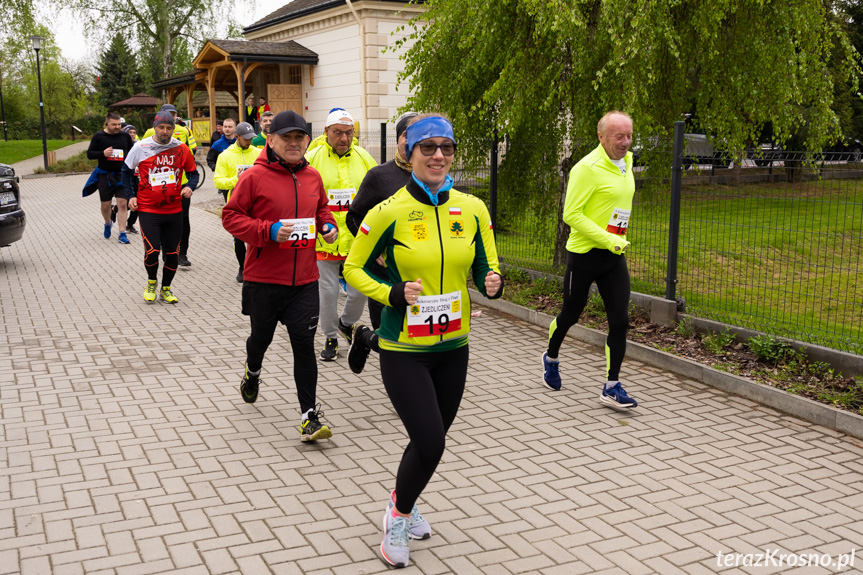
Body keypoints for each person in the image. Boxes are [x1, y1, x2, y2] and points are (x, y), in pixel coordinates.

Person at [343, 114, 503, 568]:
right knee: (432, 443)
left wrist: (492, 280)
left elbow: (485, 263)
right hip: (403, 349)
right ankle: (397, 516)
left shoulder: (472, 208)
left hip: (454, 347)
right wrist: (392, 292)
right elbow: (355, 269)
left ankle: (403, 498)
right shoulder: (387, 211)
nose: (438, 156)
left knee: (428, 439)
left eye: (446, 148)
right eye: (428, 147)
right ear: (408, 153)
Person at [221, 110, 338, 442]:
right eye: (286, 137)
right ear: (270, 140)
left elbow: (322, 210)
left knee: (304, 346)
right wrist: (268, 230)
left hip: (304, 281)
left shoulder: (313, 176)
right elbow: (230, 217)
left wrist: (328, 226)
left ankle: (309, 417)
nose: (293, 143)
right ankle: (252, 371)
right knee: (261, 340)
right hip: (264, 281)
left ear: (307, 141)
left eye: (299, 137)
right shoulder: (254, 177)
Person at [541, 110, 638, 409]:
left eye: (629, 136)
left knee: (620, 321)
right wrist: (609, 238)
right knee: (571, 314)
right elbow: (571, 214)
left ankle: (611, 385)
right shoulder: (586, 168)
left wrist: (614, 241)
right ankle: (551, 356)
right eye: (618, 136)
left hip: (614, 255)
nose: (625, 142)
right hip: (584, 255)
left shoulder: (628, 162)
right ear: (601, 136)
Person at [345, 111, 418, 373]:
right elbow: (354, 217)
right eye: (408, 135)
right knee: (387, 338)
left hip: (419, 273)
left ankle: (411, 381)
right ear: (398, 138)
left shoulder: (433, 179)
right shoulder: (379, 176)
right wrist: (373, 249)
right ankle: (366, 337)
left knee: (417, 336)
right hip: (384, 273)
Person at [305, 108, 377, 361]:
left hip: (357, 238)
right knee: (327, 292)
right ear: (326, 132)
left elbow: (377, 198)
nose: (343, 138)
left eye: (348, 133)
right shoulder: (311, 158)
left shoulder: (365, 158)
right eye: (337, 132)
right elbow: (303, 198)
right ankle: (331, 337)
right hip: (325, 238)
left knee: (359, 291)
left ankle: (346, 323)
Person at [121, 111, 199, 303]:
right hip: (148, 209)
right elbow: (125, 171)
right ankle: (151, 282)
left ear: (174, 128)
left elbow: (194, 173)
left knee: (173, 253)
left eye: (169, 128)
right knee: (152, 250)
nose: (165, 131)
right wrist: (131, 196)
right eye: (161, 128)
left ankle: (166, 288)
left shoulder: (181, 148)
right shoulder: (141, 146)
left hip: (174, 210)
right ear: (154, 127)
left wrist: (189, 186)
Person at [142, 104, 198, 267]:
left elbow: (192, 149)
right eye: (167, 113)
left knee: (183, 220)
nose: (170, 116)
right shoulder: (150, 132)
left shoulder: (185, 130)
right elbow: (140, 152)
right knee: (160, 219)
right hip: (156, 185)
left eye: (173, 114)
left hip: (180, 185)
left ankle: (182, 253)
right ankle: (164, 248)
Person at [213, 122, 261, 283]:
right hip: (237, 202)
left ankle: (257, 266)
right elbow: (218, 181)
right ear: (236, 137)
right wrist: (237, 180)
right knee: (239, 239)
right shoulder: (225, 156)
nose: (249, 142)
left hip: (257, 201)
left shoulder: (258, 153)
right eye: (246, 139)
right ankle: (242, 267)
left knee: (259, 235)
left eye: (251, 138)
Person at [85, 112, 134, 244]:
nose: (117, 127)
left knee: (123, 204)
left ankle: (122, 233)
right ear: (107, 124)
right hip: (104, 175)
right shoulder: (99, 136)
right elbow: (89, 154)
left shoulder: (125, 136)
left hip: (121, 175)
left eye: (119, 124)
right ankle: (107, 223)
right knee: (105, 205)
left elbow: (132, 151)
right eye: (114, 125)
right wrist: (103, 153)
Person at [122, 125, 140, 234]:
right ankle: (116, 210)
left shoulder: (138, 145)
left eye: (134, 132)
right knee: (124, 203)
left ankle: (130, 224)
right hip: (123, 177)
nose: (132, 134)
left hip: (135, 177)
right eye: (130, 132)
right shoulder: (121, 146)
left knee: (138, 202)